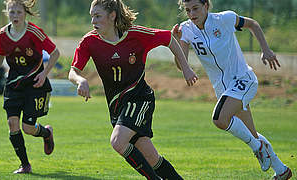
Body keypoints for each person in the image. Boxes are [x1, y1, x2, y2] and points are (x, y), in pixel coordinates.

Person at [68, 0, 198, 179]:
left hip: (140, 99)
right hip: (117, 107)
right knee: (152, 158)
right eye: (92, 16)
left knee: (117, 142)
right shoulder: (89, 42)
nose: (93, 21)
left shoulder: (136, 34)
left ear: (112, 16)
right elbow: (73, 71)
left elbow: (169, 38)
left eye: (97, 16)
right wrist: (80, 80)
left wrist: (186, 68)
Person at [172, 0, 292, 179]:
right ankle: (281, 170)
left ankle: (258, 148)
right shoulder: (186, 29)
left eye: (195, 8)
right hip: (223, 89)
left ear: (206, 5)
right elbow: (181, 65)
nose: (191, 14)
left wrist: (265, 49)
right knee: (251, 134)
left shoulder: (224, 18)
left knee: (219, 119)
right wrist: (176, 40)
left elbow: (253, 24)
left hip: (243, 80)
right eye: (188, 10)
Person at [0, 0, 60, 174]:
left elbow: (55, 53)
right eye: (12, 12)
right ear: (7, 13)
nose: (15, 16)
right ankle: (25, 165)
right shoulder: (3, 34)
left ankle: (46, 133)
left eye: (19, 12)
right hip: (13, 84)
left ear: (25, 13)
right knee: (13, 124)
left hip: (34, 85)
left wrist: (44, 74)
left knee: (28, 128)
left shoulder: (34, 32)